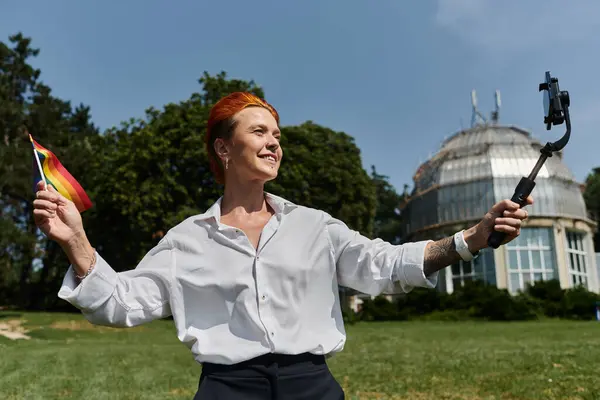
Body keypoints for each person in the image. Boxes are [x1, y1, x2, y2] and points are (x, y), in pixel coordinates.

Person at [33, 92, 532, 399]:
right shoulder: (186, 239)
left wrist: (469, 240)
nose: (274, 142)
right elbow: (119, 304)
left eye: (277, 134)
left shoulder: (315, 226)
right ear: (224, 149)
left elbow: (383, 265)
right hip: (227, 390)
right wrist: (76, 240)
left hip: (311, 387)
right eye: (259, 132)